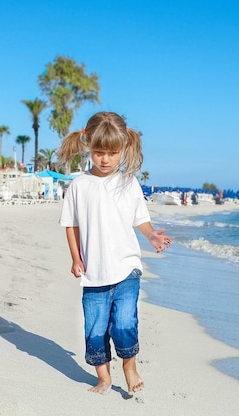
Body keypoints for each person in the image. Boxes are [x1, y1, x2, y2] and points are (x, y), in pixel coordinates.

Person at [58, 111, 171, 395]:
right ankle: (104, 378)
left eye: (112, 152)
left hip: (126, 269)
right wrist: (75, 257)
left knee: (124, 323)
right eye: (98, 152)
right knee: (95, 330)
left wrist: (152, 235)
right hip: (93, 273)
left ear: (123, 148)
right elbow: (70, 225)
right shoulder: (79, 186)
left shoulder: (128, 183)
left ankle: (130, 367)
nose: (105, 159)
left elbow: (139, 219)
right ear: (88, 146)